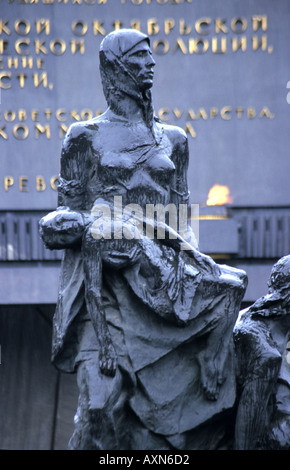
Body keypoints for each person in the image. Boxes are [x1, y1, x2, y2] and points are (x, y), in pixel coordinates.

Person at [39, 29, 247, 450]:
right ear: (114, 67)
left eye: (152, 56)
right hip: (106, 287)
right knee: (99, 407)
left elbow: (182, 221)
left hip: (160, 285)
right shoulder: (83, 136)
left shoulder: (174, 139)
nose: (150, 64)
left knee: (167, 432)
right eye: (139, 57)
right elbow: (67, 211)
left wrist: (191, 263)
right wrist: (87, 224)